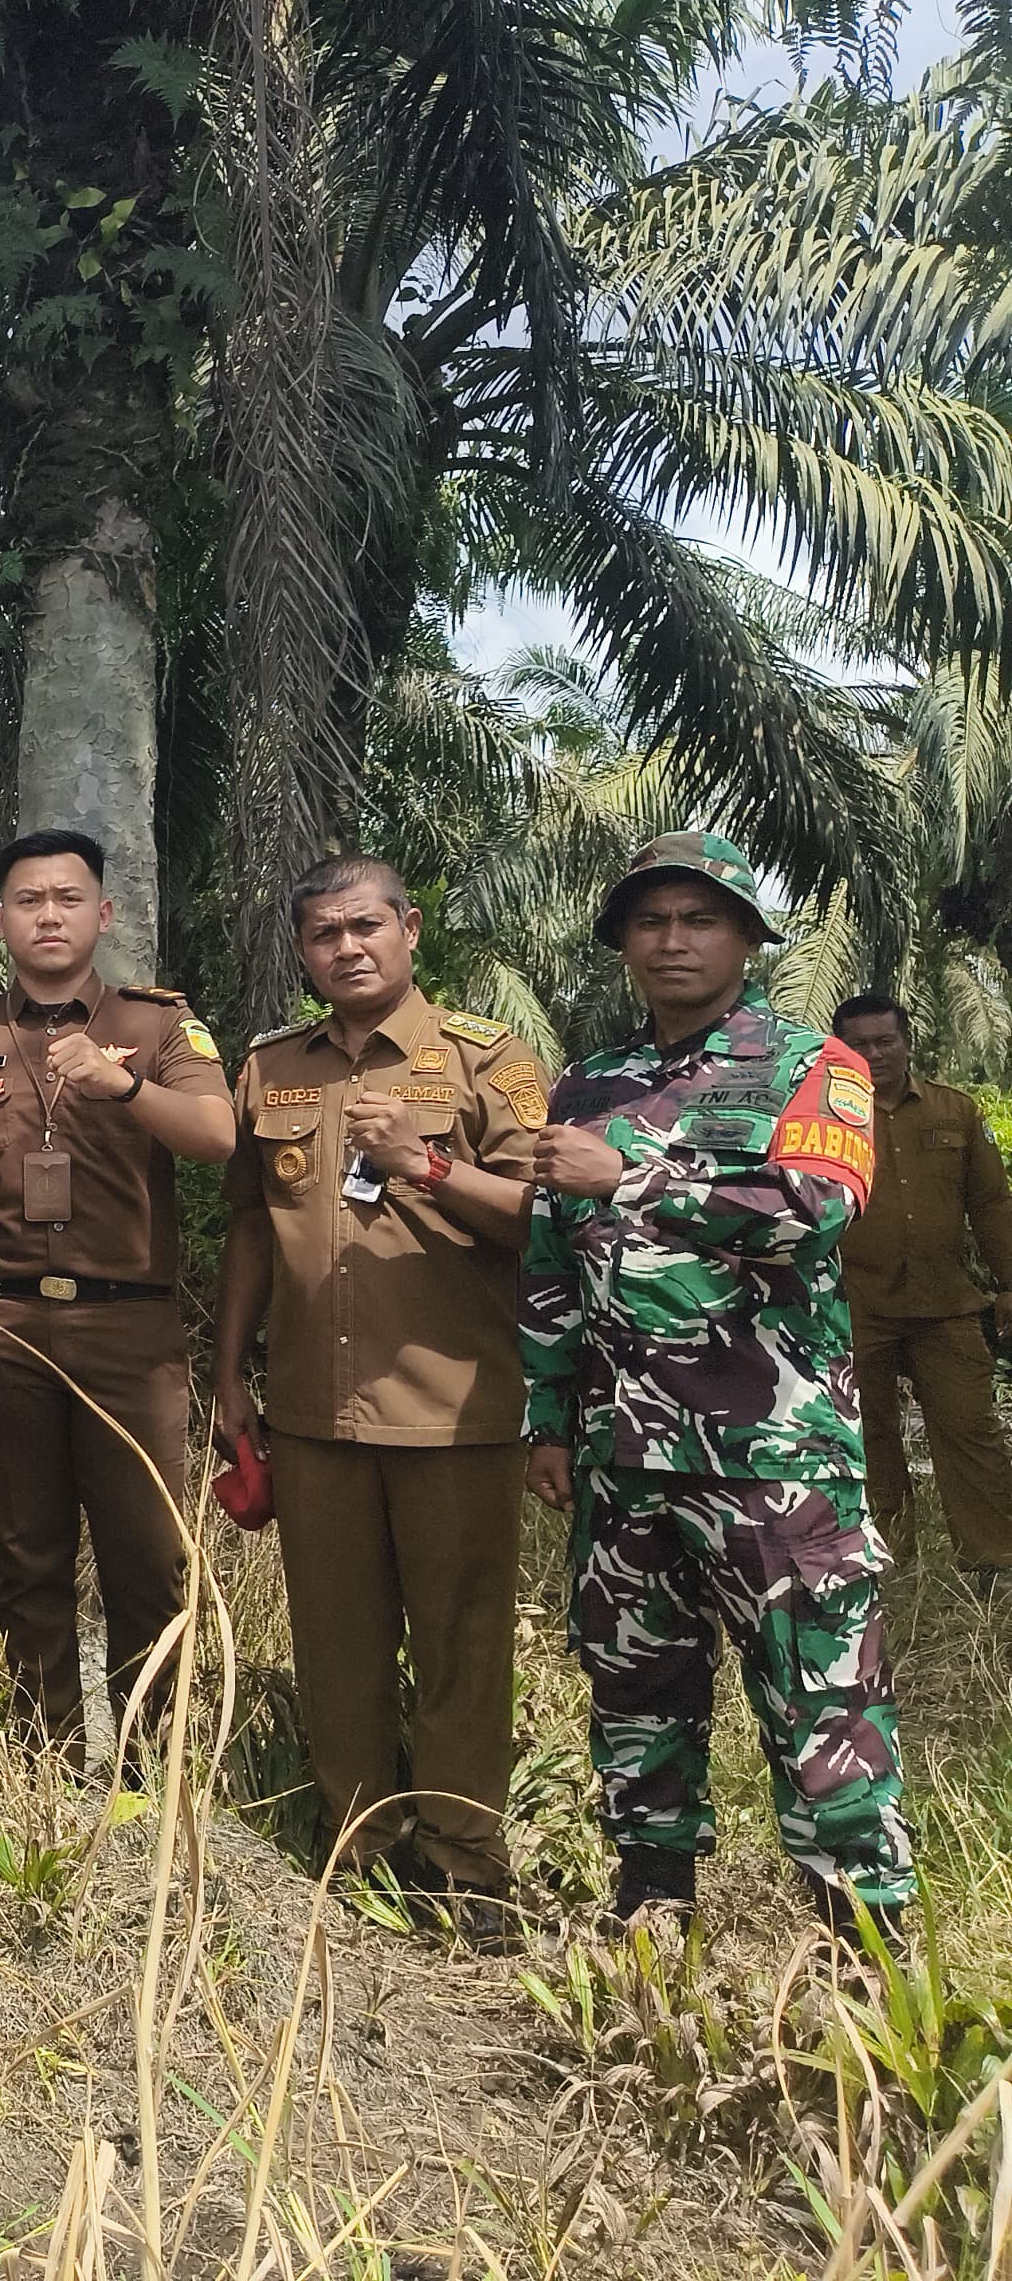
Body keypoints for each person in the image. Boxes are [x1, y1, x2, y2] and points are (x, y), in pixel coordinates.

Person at [519, 831, 911, 1943]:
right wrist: (550, 1418)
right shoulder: (588, 1082)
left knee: (821, 1703)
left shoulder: (809, 1066)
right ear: (624, 944)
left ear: (745, 936)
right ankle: (651, 1915)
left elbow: (815, 1208)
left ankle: (864, 1952)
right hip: (622, 1456)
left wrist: (635, 1171)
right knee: (637, 1694)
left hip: (774, 1463)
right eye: (652, 922)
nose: (674, 941)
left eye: (699, 919)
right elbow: (553, 1259)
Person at [215, 856, 545, 1945]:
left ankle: (465, 1869)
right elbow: (254, 1228)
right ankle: (359, 1856)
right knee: (338, 1645)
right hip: (315, 1410)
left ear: (408, 930)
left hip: (454, 1408)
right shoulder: (272, 1068)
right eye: (323, 934)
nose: (347, 948)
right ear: (304, 950)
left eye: (366, 927)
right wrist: (230, 1373)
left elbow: (543, 1225)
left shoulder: (486, 1058)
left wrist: (429, 1165)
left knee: (460, 1642)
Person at [0, 830, 234, 1769]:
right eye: (27, 900)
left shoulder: (156, 1026)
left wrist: (124, 1082)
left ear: (103, 914)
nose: (47, 915)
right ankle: (46, 1770)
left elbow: (217, 1135)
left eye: (66, 899)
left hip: (126, 1326)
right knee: (29, 1559)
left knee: (147, 1562)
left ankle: (150, 1775)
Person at [827, 992, 1012, 1583]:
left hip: (946, 1304)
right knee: (867, 1435)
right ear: (839, 1049)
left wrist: (1009, 1284)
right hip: (856, 1305)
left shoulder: (956, 1113)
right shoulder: (822, 1116)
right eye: (859, 1043)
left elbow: (990, 1205)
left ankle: (990, 1561)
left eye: (885, 1040)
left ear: (908, 1042)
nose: (874, 1053)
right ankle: (889, 1560)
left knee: (971, 1431)